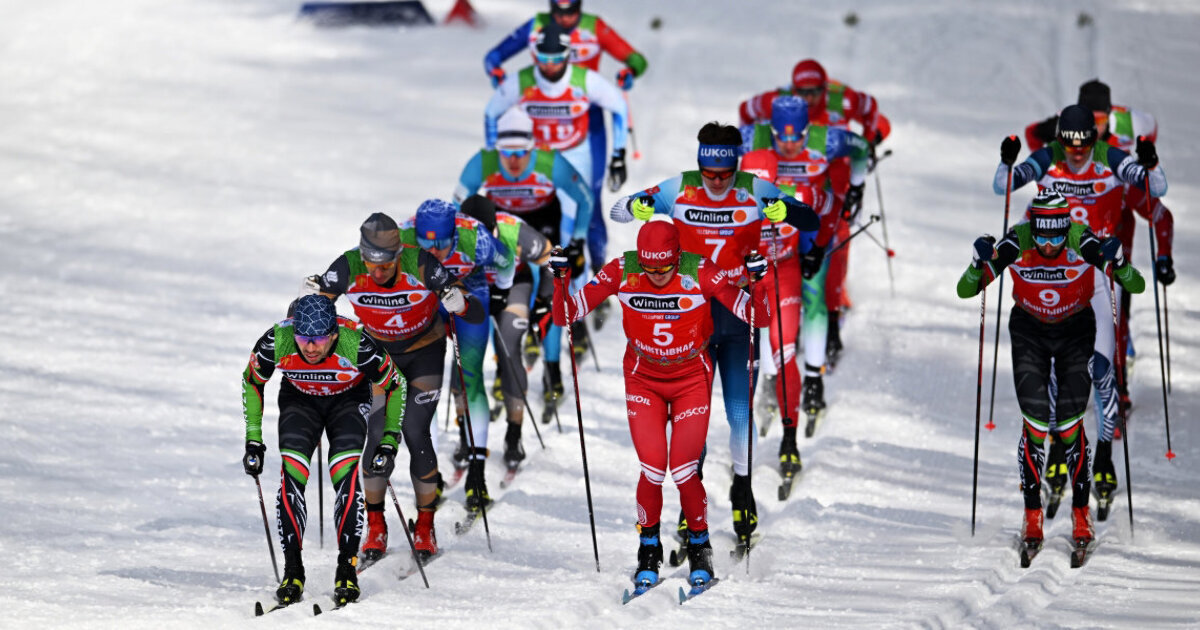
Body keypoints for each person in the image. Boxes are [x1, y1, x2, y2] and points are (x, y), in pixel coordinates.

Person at [610, 121, 820, 550]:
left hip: (739, 315)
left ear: (737, 165)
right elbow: (617, 211)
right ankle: (693, 506)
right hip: (695, 322)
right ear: (700, 165)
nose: (718, 183)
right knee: (696, 423)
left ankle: (742, 490)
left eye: (725, 175)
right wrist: (638, 206)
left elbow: (810, 218)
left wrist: (787, 212)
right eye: (710, 174)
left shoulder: (755, 189)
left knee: (739, 414)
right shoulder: (679, 188)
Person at [549, 220, 773, 590]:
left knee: (684, 469)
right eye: (648, 267)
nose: (654, 275)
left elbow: (757, 317)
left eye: (663, 268)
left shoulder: (699, 269)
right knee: (653, 470)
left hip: (690, 380)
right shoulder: (622, 269)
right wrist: (561, 281)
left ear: (677, 257)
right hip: (643, 378)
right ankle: (647, 550)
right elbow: (565, 316)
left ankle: (700, 549)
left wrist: (758, 282)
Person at [956, 189, 1145, 558]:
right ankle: (1031, 515)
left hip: (1075, 329)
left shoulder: (1081, 238)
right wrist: (976, 263)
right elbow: (966, 290)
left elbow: (1134, 284)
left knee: (1071, 424)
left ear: (1066, 230)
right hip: (1029, 330)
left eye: (1056, 237)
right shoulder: (1019, 239)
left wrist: (1119, 262)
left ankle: (1080, 513)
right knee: (1037, 423)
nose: (1048, 244)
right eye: (1042, 236)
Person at [997, 105, 1166, 514]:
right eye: (1069, 144)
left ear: (1094, 137)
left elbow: (1155, 189)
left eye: (1083, 143)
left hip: (1098, 277)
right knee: (1055, 372)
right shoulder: (1049, 156)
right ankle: (1057, 455)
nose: (1075, 153)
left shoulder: (1109, 157)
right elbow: (1003, 186)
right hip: (1058, 276)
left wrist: (1150, 164)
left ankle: (1104, 459)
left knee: (1102, 371)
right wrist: (1006, 163)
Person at [308, 213, 484, 565]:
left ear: (397, 254)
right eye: (372, 264)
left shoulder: (420, 263)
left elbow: (475, 312)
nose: (378, 273)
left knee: (415, 430)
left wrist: (461, 304)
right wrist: (307, 302)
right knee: (375, 434)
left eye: (386, 265)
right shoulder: (346, 266)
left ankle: (425, 524)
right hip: (379, 357)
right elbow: (309, 315)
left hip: (424, 353)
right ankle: (376, 524)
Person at [1024, 79, 1175, 422]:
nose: (1098, 127)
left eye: (1102, 120)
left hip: (1114, 240)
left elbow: (1159, 211)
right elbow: (1033, 140)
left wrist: (1164, 257)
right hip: (1069, 254)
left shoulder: (1126, 129)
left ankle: (1118, 386)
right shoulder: (1067, 140)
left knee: (1114, 312)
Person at [241, 294, 406, 606]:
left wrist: (389, 441)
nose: (310, 347)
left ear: (333, 333)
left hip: (348, 399)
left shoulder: (355, 342)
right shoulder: (278, 340)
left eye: (318, 340)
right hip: (300, 400)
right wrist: (253, 439)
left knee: (345, 477)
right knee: (291, 477)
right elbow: (252, 381)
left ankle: (347, 569)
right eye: (303, 338)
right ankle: (293, 571)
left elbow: (397, 384)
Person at [483, 0, 648, 284]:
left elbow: (636, 59)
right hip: (542, 128)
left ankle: (596, 269)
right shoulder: (536, 27)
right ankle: (543, 277)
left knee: (589, 202)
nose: (566, 18)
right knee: (537, 202)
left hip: (587, 121)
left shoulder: (593, 27)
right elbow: (493, 57)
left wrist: (629, 72)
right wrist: (496, 72)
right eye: (559, 12)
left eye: (571, 12)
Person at [454, 107, 597, 397]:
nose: (514, 160)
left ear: (533, 147)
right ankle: (503, 364)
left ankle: (553, 368)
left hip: (543, 219)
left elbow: (585, 198)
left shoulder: (550, 161)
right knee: (498, 292)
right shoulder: (482, 162)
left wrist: (579, 241)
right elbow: (457, 209)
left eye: (522, 152)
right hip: (500, 221)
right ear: (498, 149)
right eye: (507, 152)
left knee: (554, 283)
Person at [748, 96, 871, 369]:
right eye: (780, 139)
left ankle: (814, 376)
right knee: (767, 295)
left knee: (814, 289)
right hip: (771, 225)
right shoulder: (753, 137)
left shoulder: (826, 140)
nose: (789, 145)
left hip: (810, 219)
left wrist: (856, 188)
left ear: (808, 130)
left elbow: (862, 147)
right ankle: (771, 374)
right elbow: (714, 161)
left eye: (798, 138)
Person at [398, 200, 502, 511]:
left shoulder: (475, 236)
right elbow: (368, 260)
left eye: (442, 243)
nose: (434, 251)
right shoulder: (402, 235)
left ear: (454, 233)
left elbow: (505, 258)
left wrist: (501, 291)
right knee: (423, 386)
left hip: (469, 293)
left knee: (470, 376)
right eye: (426, 243)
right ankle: (431, 472)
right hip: (426, 302)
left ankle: (477, 476)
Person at [741, 147, 839, 453]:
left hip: (784, 271)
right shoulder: (725, 199)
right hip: (745, 279)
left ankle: (789, 441)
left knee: (784, 349)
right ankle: (742, 438)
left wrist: (818, 248)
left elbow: (832, 205)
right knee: (741, 358)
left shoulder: (796, 192)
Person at [459, 195, 553, 469]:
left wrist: (543, 301)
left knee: (510, 349)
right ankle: (466, 431)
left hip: (512, 288)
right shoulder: (454, 232)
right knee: (464, 358)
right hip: (473, 287)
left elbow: (552, 258)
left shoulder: (514, 230)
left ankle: (514, 433)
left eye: (487, 236)